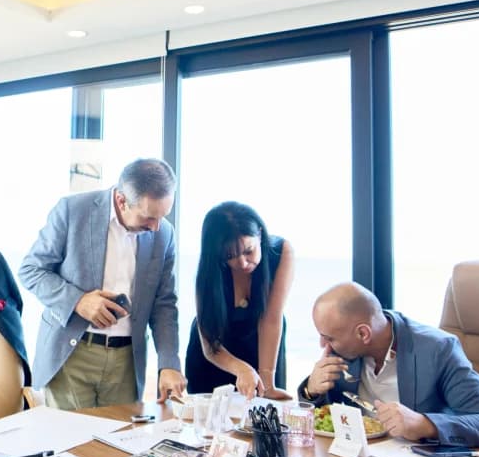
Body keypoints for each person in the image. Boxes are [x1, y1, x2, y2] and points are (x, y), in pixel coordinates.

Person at [20, 158, 186, 409]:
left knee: (120, 446)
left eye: (163, 216)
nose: (156, 227)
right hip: (72, 355)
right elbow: (31, 270)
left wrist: (169, 363)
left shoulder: (165, 234)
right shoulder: (72, 211)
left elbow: (164, 304)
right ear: (121, 200)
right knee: (71, 444)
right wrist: (78, 301)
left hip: (127, 364)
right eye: (149, 217)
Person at [299, 281, 479, 445]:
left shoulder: (438, 349)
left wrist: (425, 424)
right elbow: (325, 418)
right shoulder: (340, 350)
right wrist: (311, 391)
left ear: (363, 333)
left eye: (329, 338)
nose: (323, 344)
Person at [185, 202, 293, 400]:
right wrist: (241, 369)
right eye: (230, 256)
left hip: (264, 348)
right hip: (216, 355)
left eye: (248, 251)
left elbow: (271, 319)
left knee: (262, 417)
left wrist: (267, 381)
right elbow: (210, 345)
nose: (242, 263)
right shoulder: (211, 270)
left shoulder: (281, 252)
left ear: (259, 235)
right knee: (211, 424)